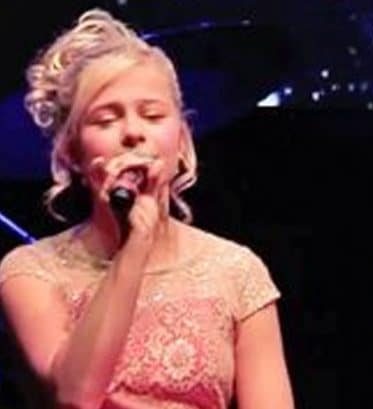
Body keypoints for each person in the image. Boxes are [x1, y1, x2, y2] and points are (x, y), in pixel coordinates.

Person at [0, 8, 294, 409]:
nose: (134, 132)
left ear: (182, 140)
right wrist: (135, 242)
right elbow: (76, 394)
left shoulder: (237, 272)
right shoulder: (31, 271)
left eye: (153, 115)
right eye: (106, 120)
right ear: (71, 152)